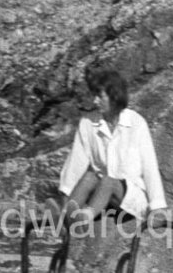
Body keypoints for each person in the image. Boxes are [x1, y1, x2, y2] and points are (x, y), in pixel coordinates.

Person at [58, 70, 167, 230]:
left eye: (99, 96)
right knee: (90, 176)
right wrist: (65, 196)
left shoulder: (136, 123)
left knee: (108, 181)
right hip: (100, 197)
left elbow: (149, 167)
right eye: (94, 95)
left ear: (114, 97)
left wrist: (158, 207)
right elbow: (76, 163)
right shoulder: (88, 123)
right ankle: (66, 213)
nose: (95, 101)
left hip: (129, 196)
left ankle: (84, 217)